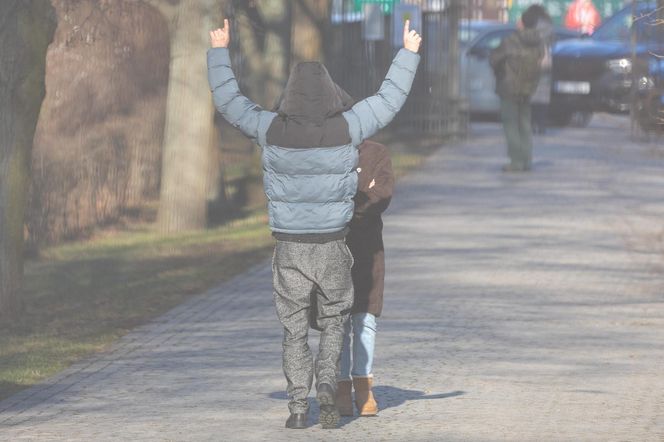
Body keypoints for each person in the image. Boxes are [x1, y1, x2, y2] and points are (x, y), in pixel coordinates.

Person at [208, 19, 421, 430]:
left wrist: (219, 51)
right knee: (334, 322)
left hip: (289, 247)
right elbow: (388, 100)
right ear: (330, 93)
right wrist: (407, 53)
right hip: (333, 245)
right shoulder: (347, 127)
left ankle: (297, 407)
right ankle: (328, 386)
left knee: (293, 331)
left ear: (289, 93)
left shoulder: (270, 128)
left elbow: (229, 102)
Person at [309, 140, 394, 417]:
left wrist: (346, 203)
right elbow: (318, 198)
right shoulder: (324, 152)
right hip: (334, 246)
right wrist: (361, 196)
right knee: (338, 321)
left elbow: (381, 195)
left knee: (366, 318)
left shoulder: (376, 152)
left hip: (369, 248)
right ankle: (342, 388)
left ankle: (364, 386)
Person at [490, 5, 545, 172]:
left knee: (511, 124)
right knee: (525, 123)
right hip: (528, 87)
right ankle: (527, 160)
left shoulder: (511, 41)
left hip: (509, 87)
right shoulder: (538, 42)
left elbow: (494, 59)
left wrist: (500, 72)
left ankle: (516, 161)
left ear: (522, 22)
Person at [530, 6, 554, 135]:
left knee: (532, 95)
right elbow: (552, 42)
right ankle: (541, 124)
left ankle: (532, 124)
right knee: (544, 96)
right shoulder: (549, 26)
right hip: (546, 61)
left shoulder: (532, 25)